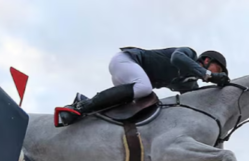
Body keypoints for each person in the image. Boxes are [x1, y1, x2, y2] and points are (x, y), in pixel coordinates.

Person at [54, 47, 230, 127]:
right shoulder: (189, 54)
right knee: (145, 89)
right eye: (219, 69)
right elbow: (177, 58)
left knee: (133, 107)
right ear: (207, 60)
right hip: (126, 60)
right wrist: (210, 76)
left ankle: (85, 107)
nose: (218, 73)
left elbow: (196, 98)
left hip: (130, 80)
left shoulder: (187, 81)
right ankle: (79, 108)